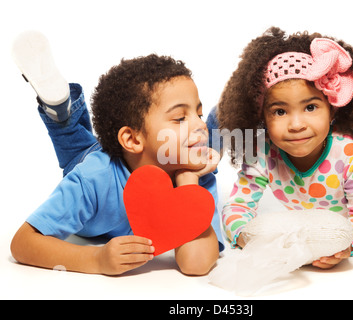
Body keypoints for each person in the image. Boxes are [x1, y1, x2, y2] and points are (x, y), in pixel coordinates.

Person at [10, 31, 223, 276]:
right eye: (179, 118)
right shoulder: (92, 178)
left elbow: (195, 264)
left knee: (205, 145)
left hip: (142, 154)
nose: (198, 123)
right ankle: (60, 112)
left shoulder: (198, 178)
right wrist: (96, 259)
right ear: (132, 139)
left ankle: (227, 115)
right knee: (77, 149)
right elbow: (23, 243)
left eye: (199, 112)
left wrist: (188, 183)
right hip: (92, 159)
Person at [216, 27, 353, 269]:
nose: (296, 125)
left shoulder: (351, 153)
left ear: (331, 108)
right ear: (262, 116)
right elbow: (238, 205)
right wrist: (244, 235)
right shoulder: (262, 153)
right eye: (280, 111)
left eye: (310, 107)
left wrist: (347, 243)